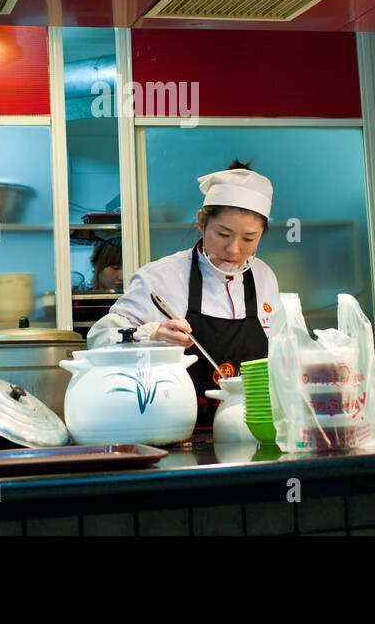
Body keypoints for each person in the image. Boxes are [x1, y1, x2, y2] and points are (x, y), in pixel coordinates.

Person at [87, 160, 282, 429]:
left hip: (253, 429)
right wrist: (151, 335)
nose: (234, 250)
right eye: (223, 233)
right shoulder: (160, 277)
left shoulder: (264, 277)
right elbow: (98, 339)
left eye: (249, 239)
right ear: (202, 222)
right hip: (177, 434)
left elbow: (284, 351)